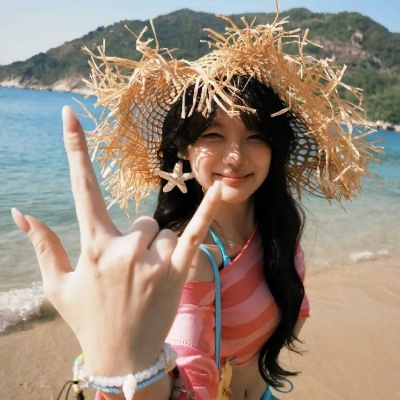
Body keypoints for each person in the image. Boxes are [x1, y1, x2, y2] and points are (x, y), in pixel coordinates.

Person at [12, 9, 379, 400]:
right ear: (184, 148)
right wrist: (123, 365)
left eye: (256, 136)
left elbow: (294, 305)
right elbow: (188, 373)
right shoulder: (190, 260)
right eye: (213, 135)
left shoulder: (279, 222)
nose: (235, 157)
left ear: (275, 148)